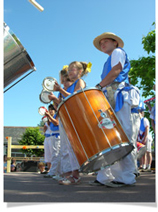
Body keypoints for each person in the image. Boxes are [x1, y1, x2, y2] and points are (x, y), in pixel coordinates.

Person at [90, 32, 137, 187]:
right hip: (111, 95)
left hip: (118, 95)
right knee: (111, 136)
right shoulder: (108, 59)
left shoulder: (118, 52)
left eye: (105, 41)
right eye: (101, 43)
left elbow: (116, 71)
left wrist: (98, 87)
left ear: (115, 43)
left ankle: (126, 176)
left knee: (122, 135)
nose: (102, 44)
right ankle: (110, 175)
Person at [49, 61, 91, 185]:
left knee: (71, 147)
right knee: (66, 147)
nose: (69, 72)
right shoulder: (69, 86)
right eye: (69, 70)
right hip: (66, 116)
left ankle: (74, 175)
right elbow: (64, 102)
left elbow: (74, 98)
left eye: (72, 70)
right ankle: (69, 174)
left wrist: (60, 90)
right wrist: (56, 98)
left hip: (73, 116)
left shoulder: (80, 82)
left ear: (79, 72)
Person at [43, 104, 61, 178]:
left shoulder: (57, 114)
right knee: (54, 154)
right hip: (53, 136)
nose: (50, 111)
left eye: (52, 109)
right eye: (49, 109)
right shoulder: (51, 117)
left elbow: (56, 123)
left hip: (57, 135)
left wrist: (49, 116)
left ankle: (53, 172)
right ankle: (56, 172)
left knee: (56, 154)